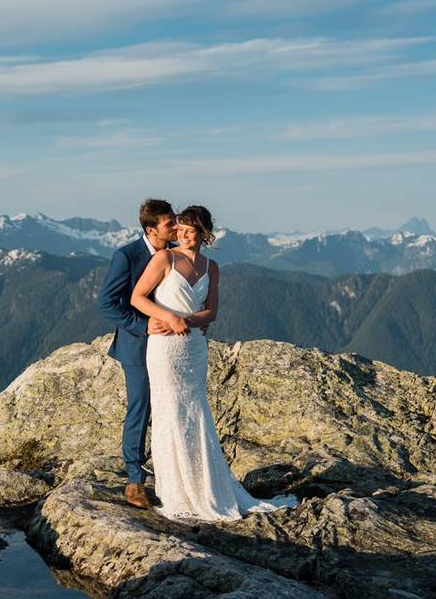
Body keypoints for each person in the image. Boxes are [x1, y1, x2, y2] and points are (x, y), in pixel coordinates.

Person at [130, 205, 297, 521]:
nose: (183, 235)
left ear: (204, 234)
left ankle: (205, 484)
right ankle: (174, 490)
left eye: (191, 231)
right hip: (164, 348)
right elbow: (138, 297)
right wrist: (168, 317)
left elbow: (212, 312)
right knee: (169, 412)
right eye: (180, 229)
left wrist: (186, 321)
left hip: (193, 348)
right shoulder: (164, 259)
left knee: (195, 413)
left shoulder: (211, 267)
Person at [97, 198, 176, 510]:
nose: (176, 227)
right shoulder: (127, 256)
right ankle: (135, 481)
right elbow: (106, 303)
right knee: (140, 409)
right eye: (170, 223)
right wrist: (144, 325)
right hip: (138, 345)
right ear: (150, 229)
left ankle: (171, 475)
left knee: (169, 405)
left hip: (171, 344)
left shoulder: (174, 253)